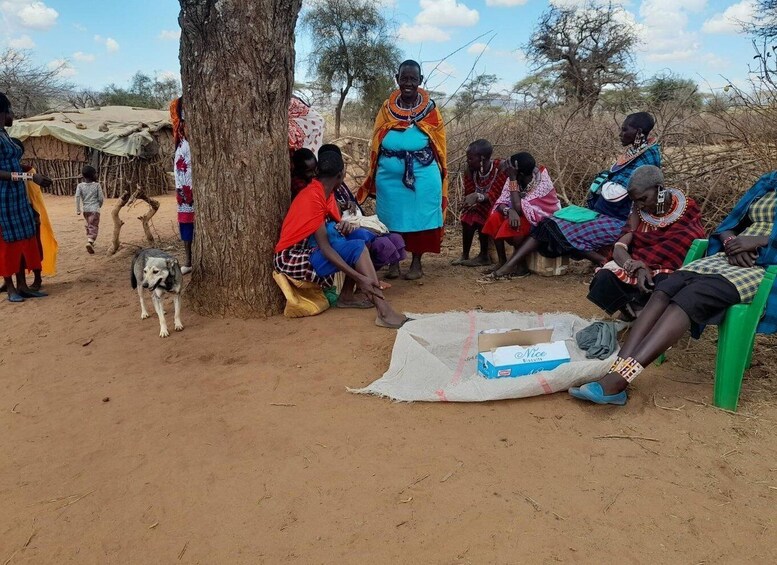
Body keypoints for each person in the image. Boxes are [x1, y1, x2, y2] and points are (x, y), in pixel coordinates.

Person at [570, 170, 777, 406]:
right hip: (732, 257)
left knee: (689, 298)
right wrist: (731, 243)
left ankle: (619, 381)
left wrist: (760, 242)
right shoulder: (768, 185)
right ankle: (617, 367)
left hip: (764, 267)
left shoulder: (685, 208)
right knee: (666, 289)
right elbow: (729, 226)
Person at [485, 112, 661, 280]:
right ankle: (511, 265)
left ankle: (601, 261)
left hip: (622, 221)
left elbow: (618, 193)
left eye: (625, 130)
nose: (620, 134)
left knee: (554, 228)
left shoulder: (647, 157)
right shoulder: (637, 153)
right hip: (605, 214)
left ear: (638, 132)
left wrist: (604, 184)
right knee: (550, 225)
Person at [274, 150, 408, 329]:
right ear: (340, 175)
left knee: (360, 237)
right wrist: (359, 277)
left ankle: (347, 296)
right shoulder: (313, 197)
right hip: (290, 257)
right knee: (356, 247)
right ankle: (383, 311)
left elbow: (334, 225)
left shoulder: (325, 192)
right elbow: (326, 248)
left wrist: (345, 227)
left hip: (308, 247)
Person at [357, 59, 447, 281]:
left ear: (420, 81)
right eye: (404, 78)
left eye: (413, 79)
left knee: (421, 218)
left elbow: (439, 141)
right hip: (390, 175)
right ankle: (393, 262)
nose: (408, 83)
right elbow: (377, 135)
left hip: (423, 174)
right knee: (389, 218)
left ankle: (417, 263)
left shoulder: (431, 110)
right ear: (397, 79)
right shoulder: (386, 109)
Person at [587, 165, 704, 321]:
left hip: (667, 275)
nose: (640, 205)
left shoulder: (687, 209)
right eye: (636, 201)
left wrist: (646, 266)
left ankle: (647, 317)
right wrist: (637, 266)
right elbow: (619, 248)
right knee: (603, 278)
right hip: (637, 272)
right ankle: (635, 314)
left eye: (643, 199)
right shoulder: (638, 212)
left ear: (659, 189)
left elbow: (682, 246)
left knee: (665, 283)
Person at [319, 144, 406, 274]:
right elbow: (331, 222)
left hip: (352, 222)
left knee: (393, 238)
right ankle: (365, 280)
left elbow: (351, 205)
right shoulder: (322, 189)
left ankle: (371, 277)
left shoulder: (339, 185)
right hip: (340, 230)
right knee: (368, 240)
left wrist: (350, 205)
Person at [0, 92, 52, 302]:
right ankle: (11, 287)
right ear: (2, 112)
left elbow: (11, 164)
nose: (13, 115)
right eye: (10, 110)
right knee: (6, 242)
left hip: (17, 196)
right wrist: (27, 176)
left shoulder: (4, 134)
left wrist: (31, 173)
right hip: (3, 197)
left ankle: (22, 285)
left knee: (22, 238)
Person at [480, 152, 561, 276]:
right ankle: (502, 261)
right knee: (495, 217)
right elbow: (501, 202)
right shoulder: (515, 178)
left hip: (541, 221)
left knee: (514, 224)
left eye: (510, 168)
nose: (507, 170)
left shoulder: (542, 183)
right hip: (520, 213)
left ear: (520, 173)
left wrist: (512, 180)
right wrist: (508, 210)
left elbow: (519, 209)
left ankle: (521, 267)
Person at [453, 139, 508, 267]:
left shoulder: (500, 168)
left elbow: (499, 195)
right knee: (468, 215)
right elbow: (470, 192)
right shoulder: (470, 171)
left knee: (484, 213)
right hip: (482, 205)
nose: (468, 161)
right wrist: (468, 202)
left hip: (501, 206)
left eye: (471, 158)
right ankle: (464, 254)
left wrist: (478, 196)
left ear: (482, 158)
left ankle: (484, 255)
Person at [12, 137, 58, 290]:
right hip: (9, 214)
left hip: (29, 214)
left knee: (33, 248)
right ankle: (10, 281)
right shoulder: (9, 171)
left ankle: (37, 278)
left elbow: (33, 197)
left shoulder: (27, 171)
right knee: (11, 249)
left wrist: (35, 214)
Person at [170, 97, 194, 274]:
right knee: (186, 225)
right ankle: (189, 260)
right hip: (183, 193)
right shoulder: (181, 144)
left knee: (196, 225)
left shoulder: (193, 145)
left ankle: (192, 259)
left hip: (195, 190)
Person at [74, 165, 105, 254]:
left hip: (86, 210)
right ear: (93, 175)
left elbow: (77, 197)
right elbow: (101, 198)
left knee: (89, 224)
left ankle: (89, 240)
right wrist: (99, 206)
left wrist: (78, 209)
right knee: (94, 225)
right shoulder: (97, 185)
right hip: (95, 209)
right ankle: (90, 241)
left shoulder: (80, 186)